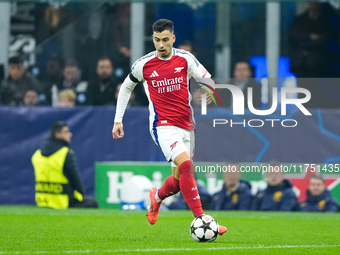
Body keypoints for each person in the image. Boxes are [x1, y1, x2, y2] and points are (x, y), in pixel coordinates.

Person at [112, 19, 227, 235]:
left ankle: (156, 197)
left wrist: (210, 91)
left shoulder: (185, 58)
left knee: (178, 180)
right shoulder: (143, 65)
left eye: (165, 40)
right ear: (153, 39)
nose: (161, 45)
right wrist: (118, 119)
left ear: (173, 38)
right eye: (157, 40)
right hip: (162, 126)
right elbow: (126, 88)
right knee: (186, 167)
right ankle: (203, 220)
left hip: (186, 125)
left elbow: (207, 79)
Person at [31, 121, 98, 209]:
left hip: (42, 201)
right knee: (92, 203)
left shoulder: (37, 154)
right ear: (58, 134)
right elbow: (75, 179)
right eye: (66, 132)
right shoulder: (65, 153)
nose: (70, 134)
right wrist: (81, 194)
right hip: (63, 201)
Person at [288, 2, 334, 78]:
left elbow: (323, 40)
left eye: (316, 3)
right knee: (301, 86)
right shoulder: (300, 19)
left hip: (316, 64)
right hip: (299, 63)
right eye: (311, 3)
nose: (313, 6)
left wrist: (303, 40)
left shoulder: (325, 22)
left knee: (314, 87)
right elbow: (293, 35)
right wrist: (310, 36)